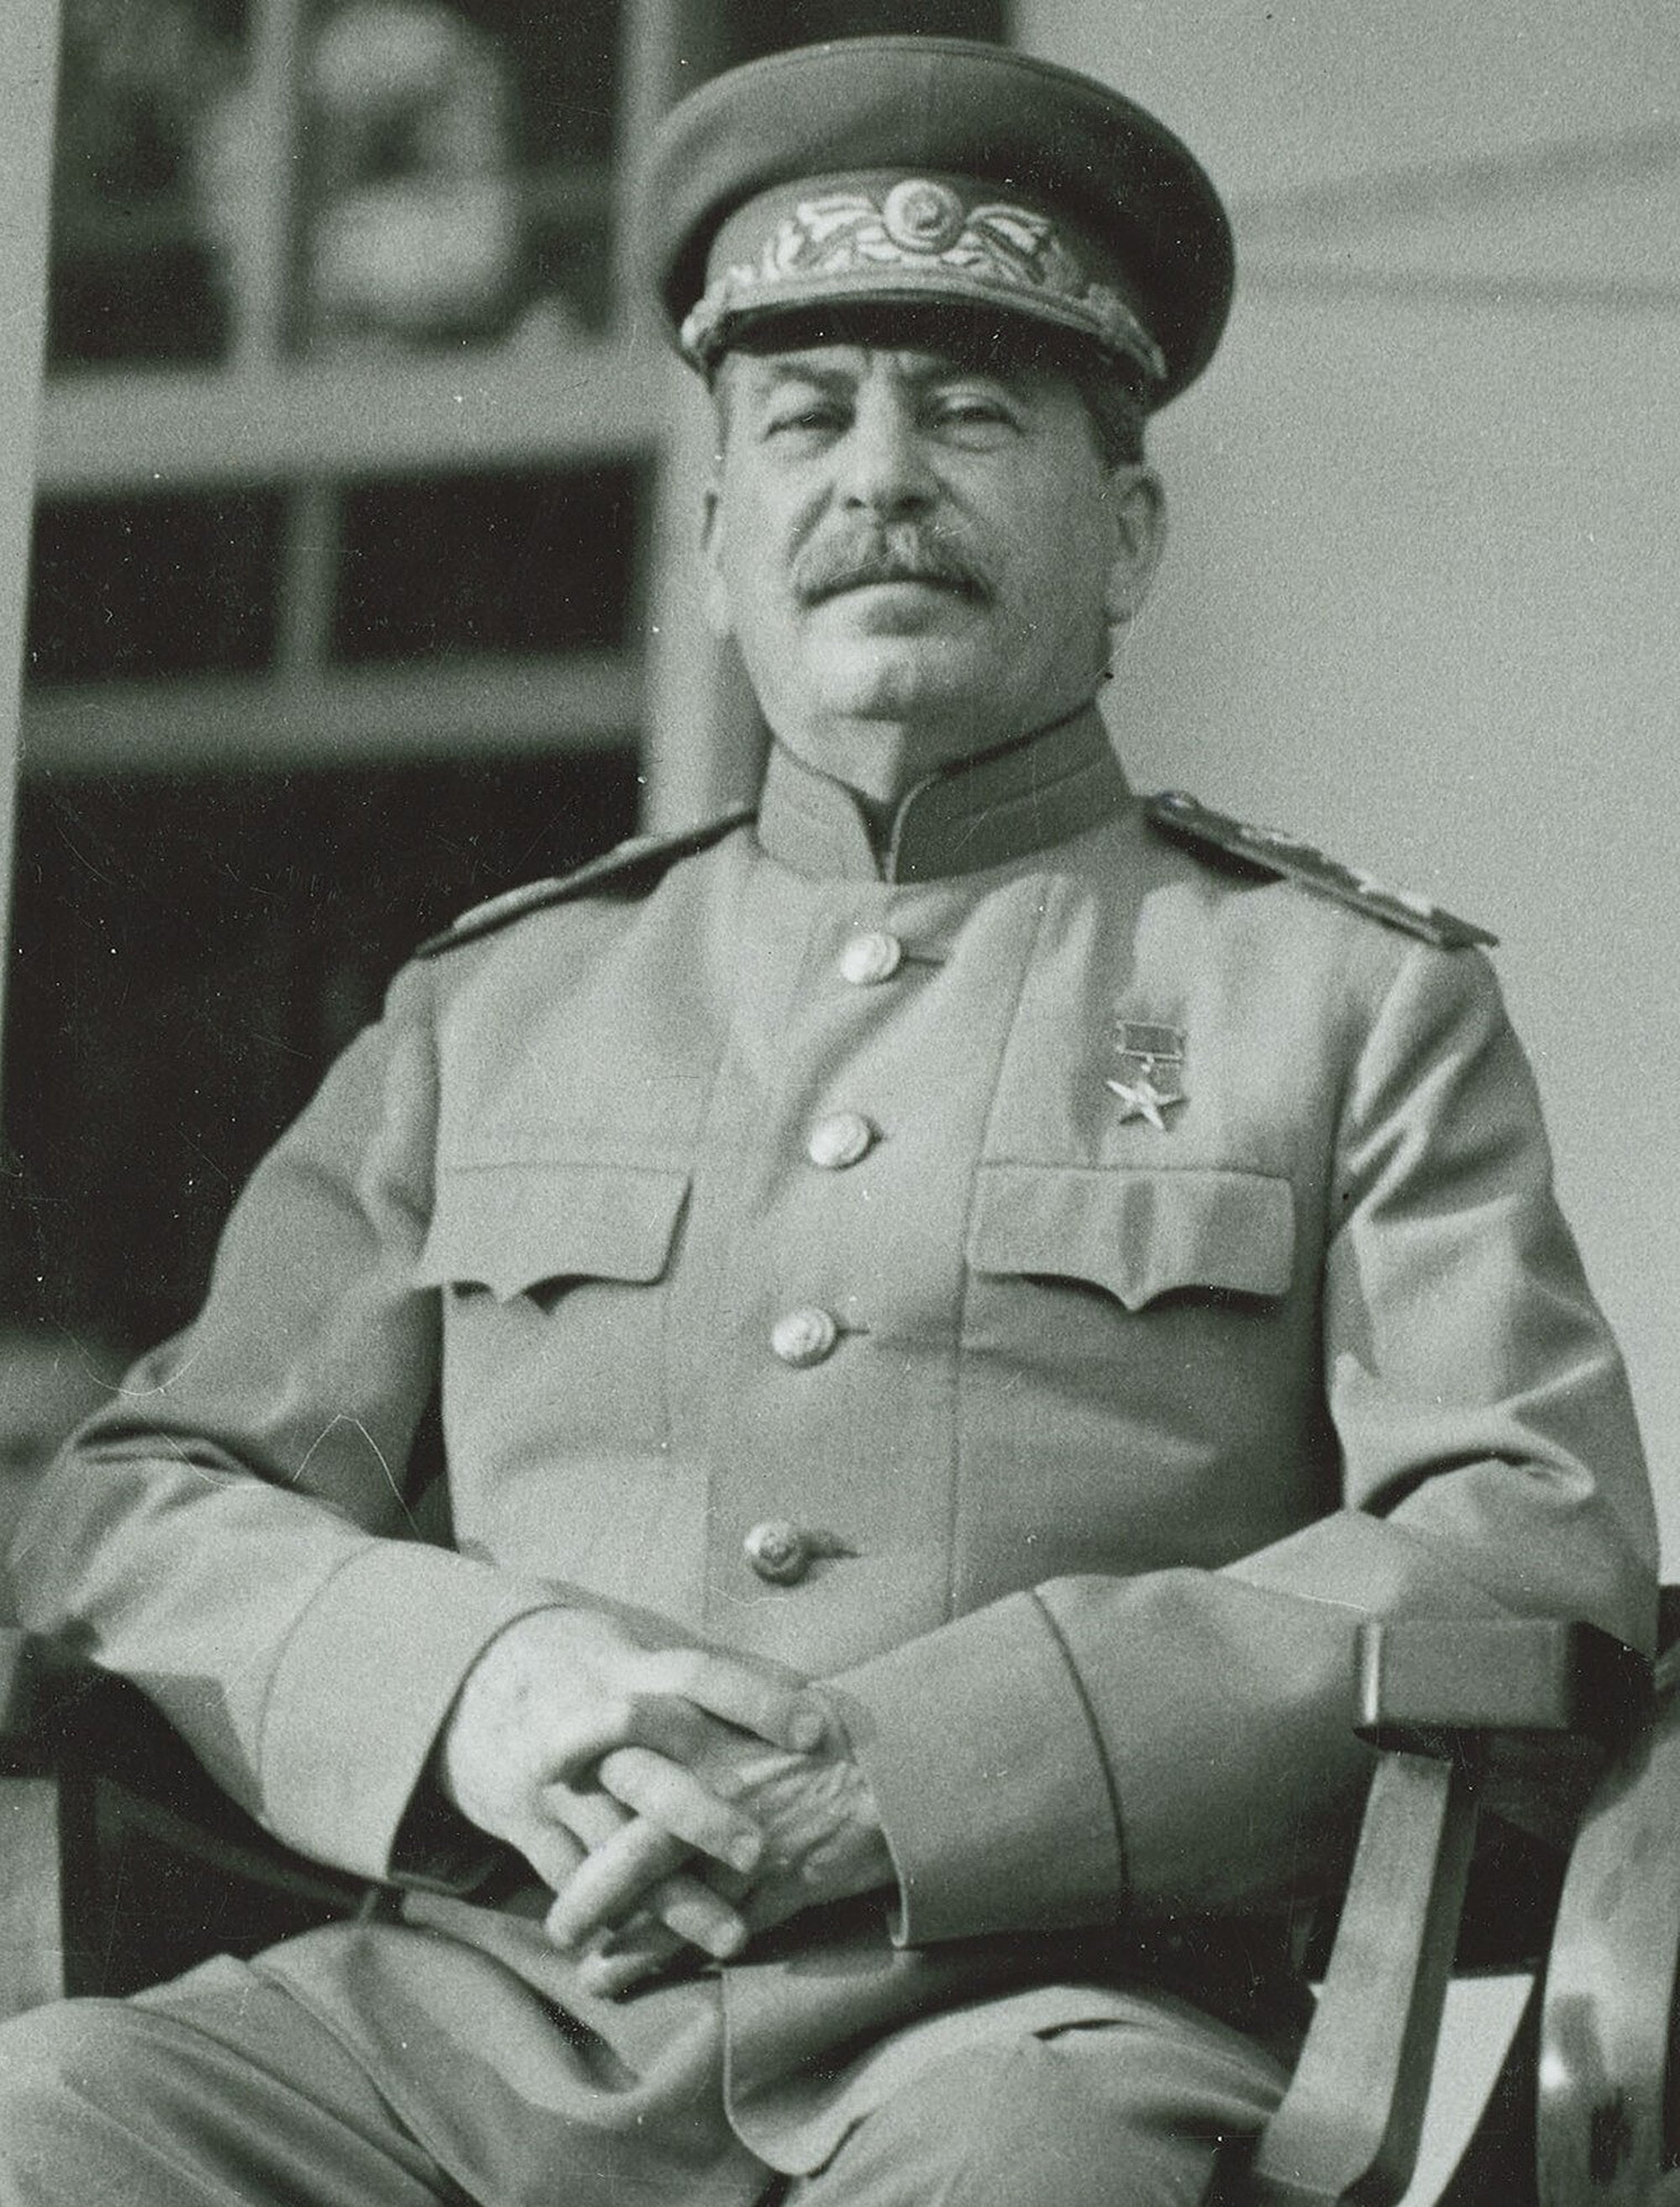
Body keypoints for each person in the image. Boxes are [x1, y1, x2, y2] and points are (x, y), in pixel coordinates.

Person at [0, 34, 1656, 2207]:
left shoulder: (1343, 1002)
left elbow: (1529, 1541)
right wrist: (479, 1679)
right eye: (804, 419)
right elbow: (142, 1503)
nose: (881, 478)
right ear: (717, 548)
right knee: (51, 2122)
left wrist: (923, 1775)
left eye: (969, 413)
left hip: (1034, 2023)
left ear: (1128, 532)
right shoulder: (494, 1009)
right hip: (480, 2015)